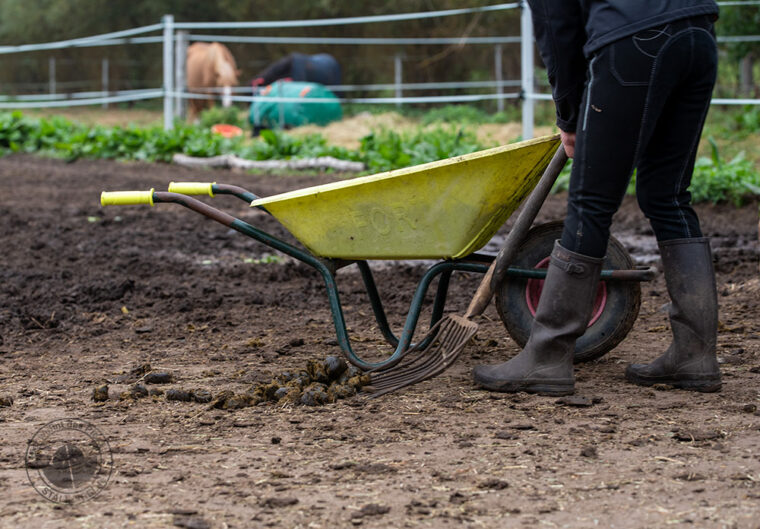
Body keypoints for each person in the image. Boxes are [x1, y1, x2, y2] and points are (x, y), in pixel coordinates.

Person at [473, 0, 722, 395]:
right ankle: (695, 355)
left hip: (633, 39)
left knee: (592, 201)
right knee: (669, 194)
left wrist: (568, 114)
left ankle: (548, 356)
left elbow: (556, 22)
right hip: (698, 33)